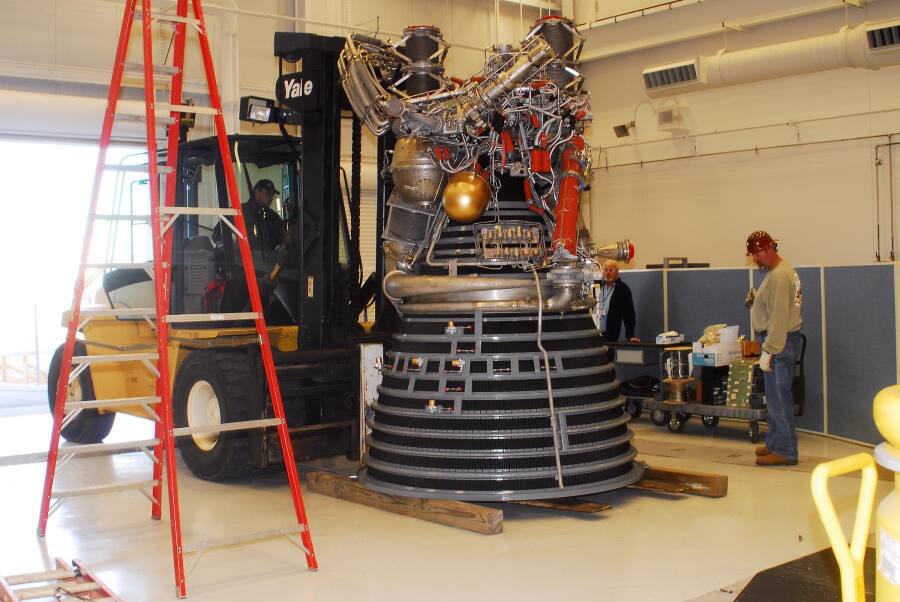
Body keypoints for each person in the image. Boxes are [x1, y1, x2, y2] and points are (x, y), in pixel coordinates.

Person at [746, 230, 803, 467]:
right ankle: (774, 442)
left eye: (756, 255)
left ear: (768, 249)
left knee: (779, 400)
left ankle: (786, 450)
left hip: (779, 343)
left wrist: (769, 350)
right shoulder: (780, 271)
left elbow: (780, 317)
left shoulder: (779, 276)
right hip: (781, 341)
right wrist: (757, 300)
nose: (755, 260)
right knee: (774, 398)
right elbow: (778, 305)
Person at [597, 260, 640, 344]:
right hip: (593, 332)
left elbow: (629, 314)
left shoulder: (622, 289)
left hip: (610, 334)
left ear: (617, 272)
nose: (608, 273)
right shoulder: (596, 286)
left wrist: (630, 335)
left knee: (607, 356)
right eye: (605, 270)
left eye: (611, 270)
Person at [242, 179, 283, 253]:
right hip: (244, 262)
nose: (270, 199)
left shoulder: (273, 217)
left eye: (272, 195)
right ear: (257, 192)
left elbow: (280, 240)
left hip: (269, 262)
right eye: (268, 194)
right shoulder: (240, 212)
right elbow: (218, 233)